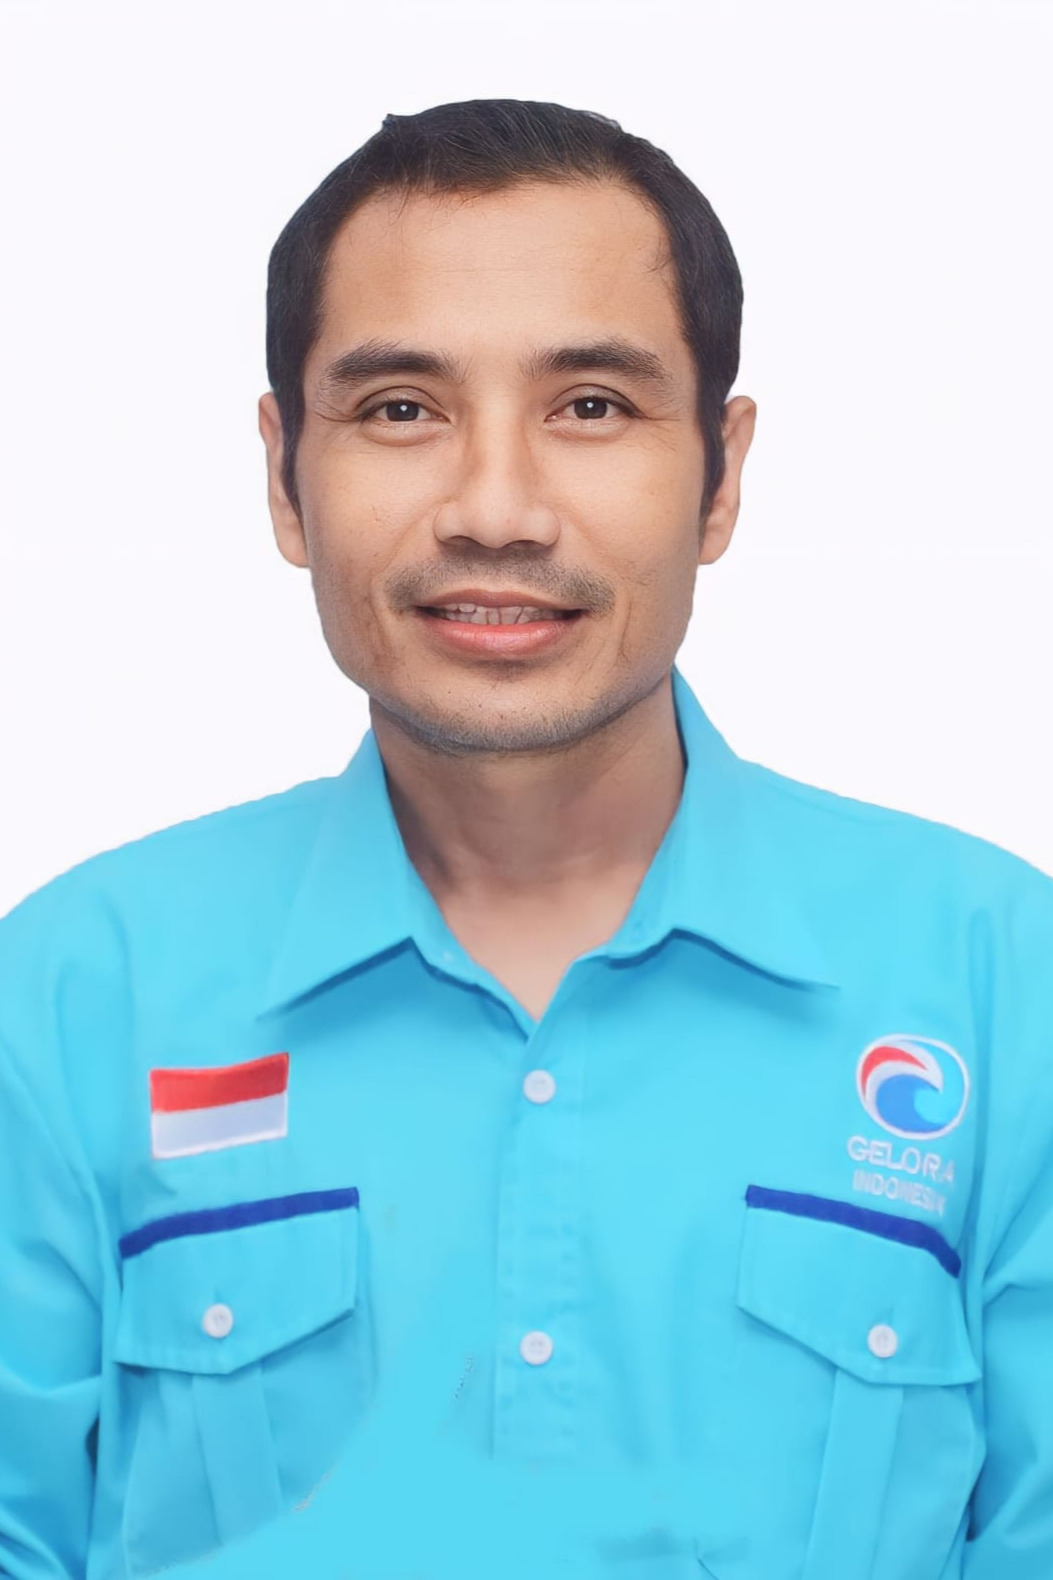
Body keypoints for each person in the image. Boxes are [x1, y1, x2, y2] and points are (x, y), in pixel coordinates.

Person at [1, 96, 1051, 1580]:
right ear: (284, 475)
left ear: (723, 476)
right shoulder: (65, 999)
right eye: (400, 409)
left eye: (592, 407)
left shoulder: (1004, 984)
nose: (495, 510)